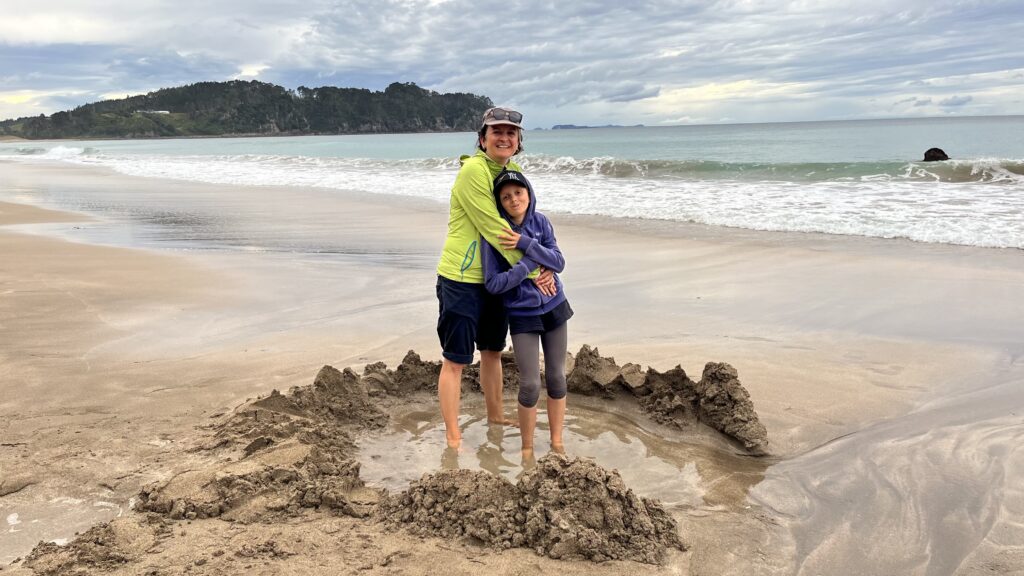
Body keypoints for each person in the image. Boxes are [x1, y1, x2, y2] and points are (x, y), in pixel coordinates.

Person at [435, 106, 555, 449]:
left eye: (511, 133)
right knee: (456, 359)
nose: (504, 138)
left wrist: (544, 263)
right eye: (496, 132)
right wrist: (536, 270)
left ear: (518, 142)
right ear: (482, 138)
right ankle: (453, 434)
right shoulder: (473, 171)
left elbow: (527, 223)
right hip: (462, 278)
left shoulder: (513, 171)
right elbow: (496, 228)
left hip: (500, 279)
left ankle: (494, 415)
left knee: (492, 351)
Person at [480, 169, 572, 457]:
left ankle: (557, 443)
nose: (513, 199)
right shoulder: (495, 236)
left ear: (529, 194)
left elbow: (558, 261)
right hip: (522, 315)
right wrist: (526, 270)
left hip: (554, 305)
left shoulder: (541, 222)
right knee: (531, 383)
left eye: (518, 193)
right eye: (506, 196)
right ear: (500, 203)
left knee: (557, 377)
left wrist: (526, 245)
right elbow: (493, 284)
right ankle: (527, 449)